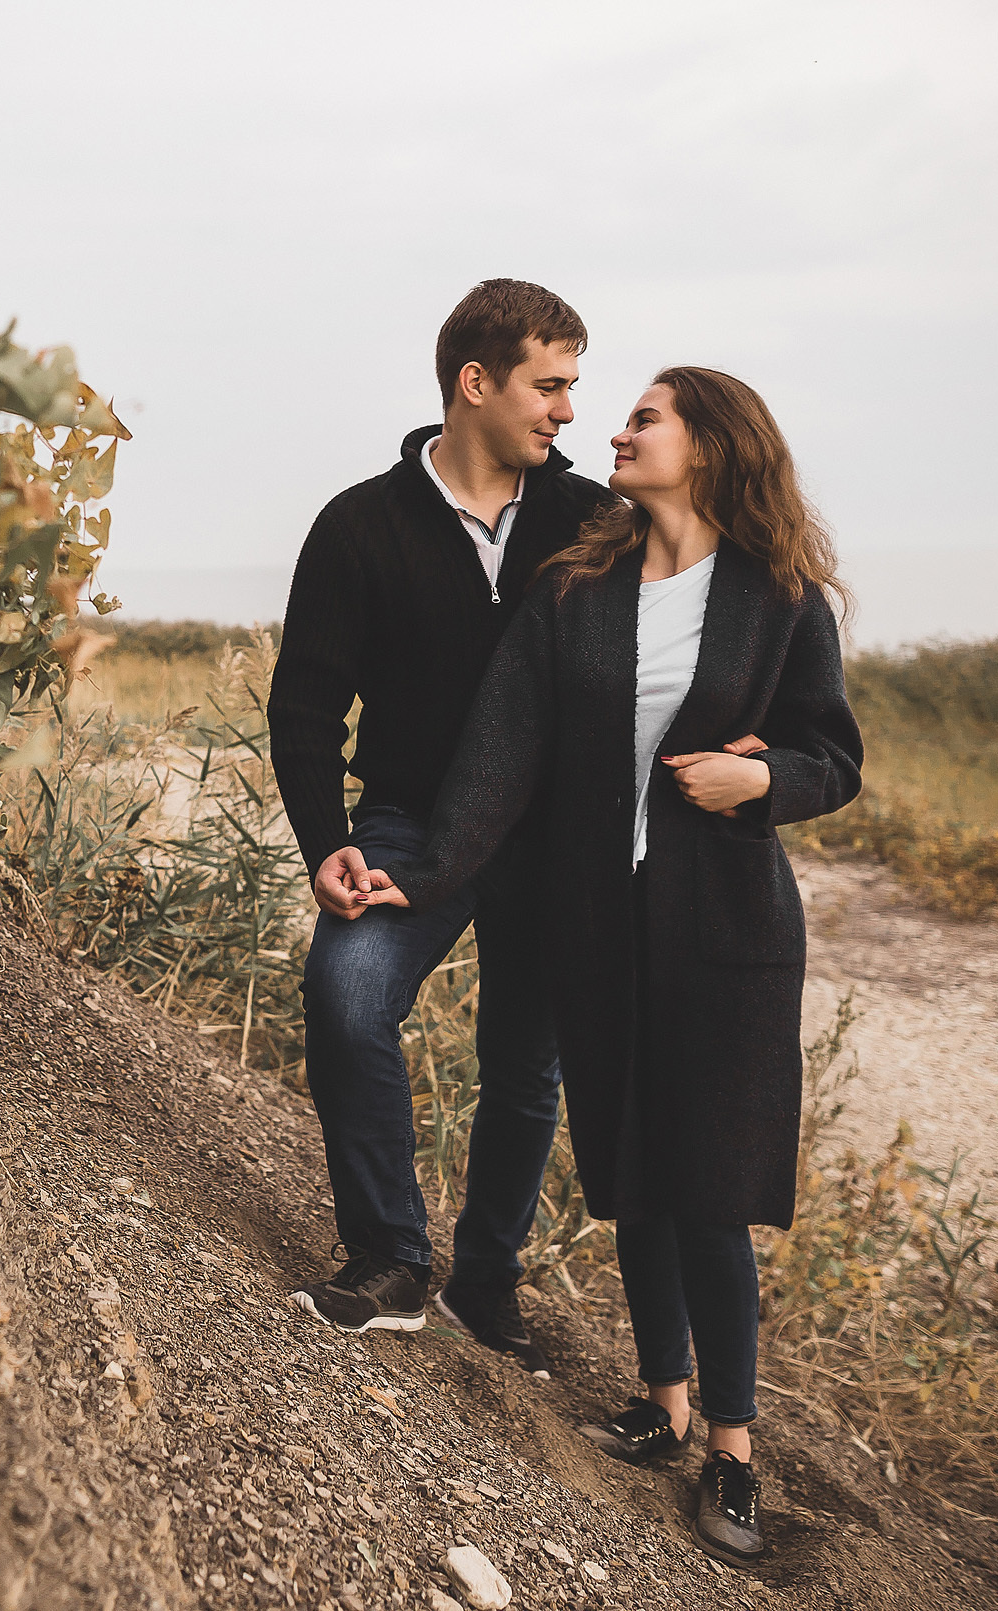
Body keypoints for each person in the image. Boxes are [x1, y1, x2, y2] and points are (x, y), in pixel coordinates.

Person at [351, 366, 864, 1566]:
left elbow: (832, 756)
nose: (615, 434)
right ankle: (663, 1401)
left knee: (708, 1188)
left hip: (725, 932)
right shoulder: (575, 588)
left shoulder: (779, 597)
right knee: (631, 1171)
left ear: (712, 447)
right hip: (597, 925)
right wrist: (424, 871)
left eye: (643, 419)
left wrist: (757, 780)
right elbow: (501, 750)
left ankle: (732, 1452)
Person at [269, 278, 603, 1365]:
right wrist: (327, 841)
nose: (566, 410)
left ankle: (487, 1286)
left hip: (550, 839)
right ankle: (390, 1258)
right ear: (475, 382)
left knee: (526, 1068)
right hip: (408, 825)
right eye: (548, 386)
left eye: (572, 387)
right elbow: (305, 703)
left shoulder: (594, 522)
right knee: (346, 992)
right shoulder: (359, 525)